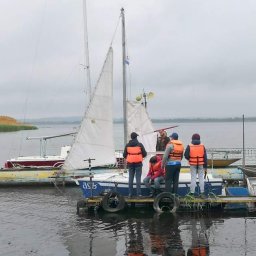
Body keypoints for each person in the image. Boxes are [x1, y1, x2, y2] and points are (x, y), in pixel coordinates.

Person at [123, 132, 147, 197]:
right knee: (138, 179)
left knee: (130, 178)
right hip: (138, 163)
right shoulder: (140, 144)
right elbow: (145, 154)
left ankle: (130, 194)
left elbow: (124, 155)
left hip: (130, 163)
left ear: (131, 137)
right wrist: (139, 156)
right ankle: (139, 194)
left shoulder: (127, 145)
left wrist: (130, 158)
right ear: (136, 137)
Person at [184, 133, 207, 197]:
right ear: (199, 139)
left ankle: (192, 193)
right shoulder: (202, 146)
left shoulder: (189, 145)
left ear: (192, 138)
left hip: (192, 164)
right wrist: (205, 166)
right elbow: (205, 157)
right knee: (201, 178)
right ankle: (202, 193)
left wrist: (190, 158)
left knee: (193, 178)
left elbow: (185, 155)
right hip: (200, 164)